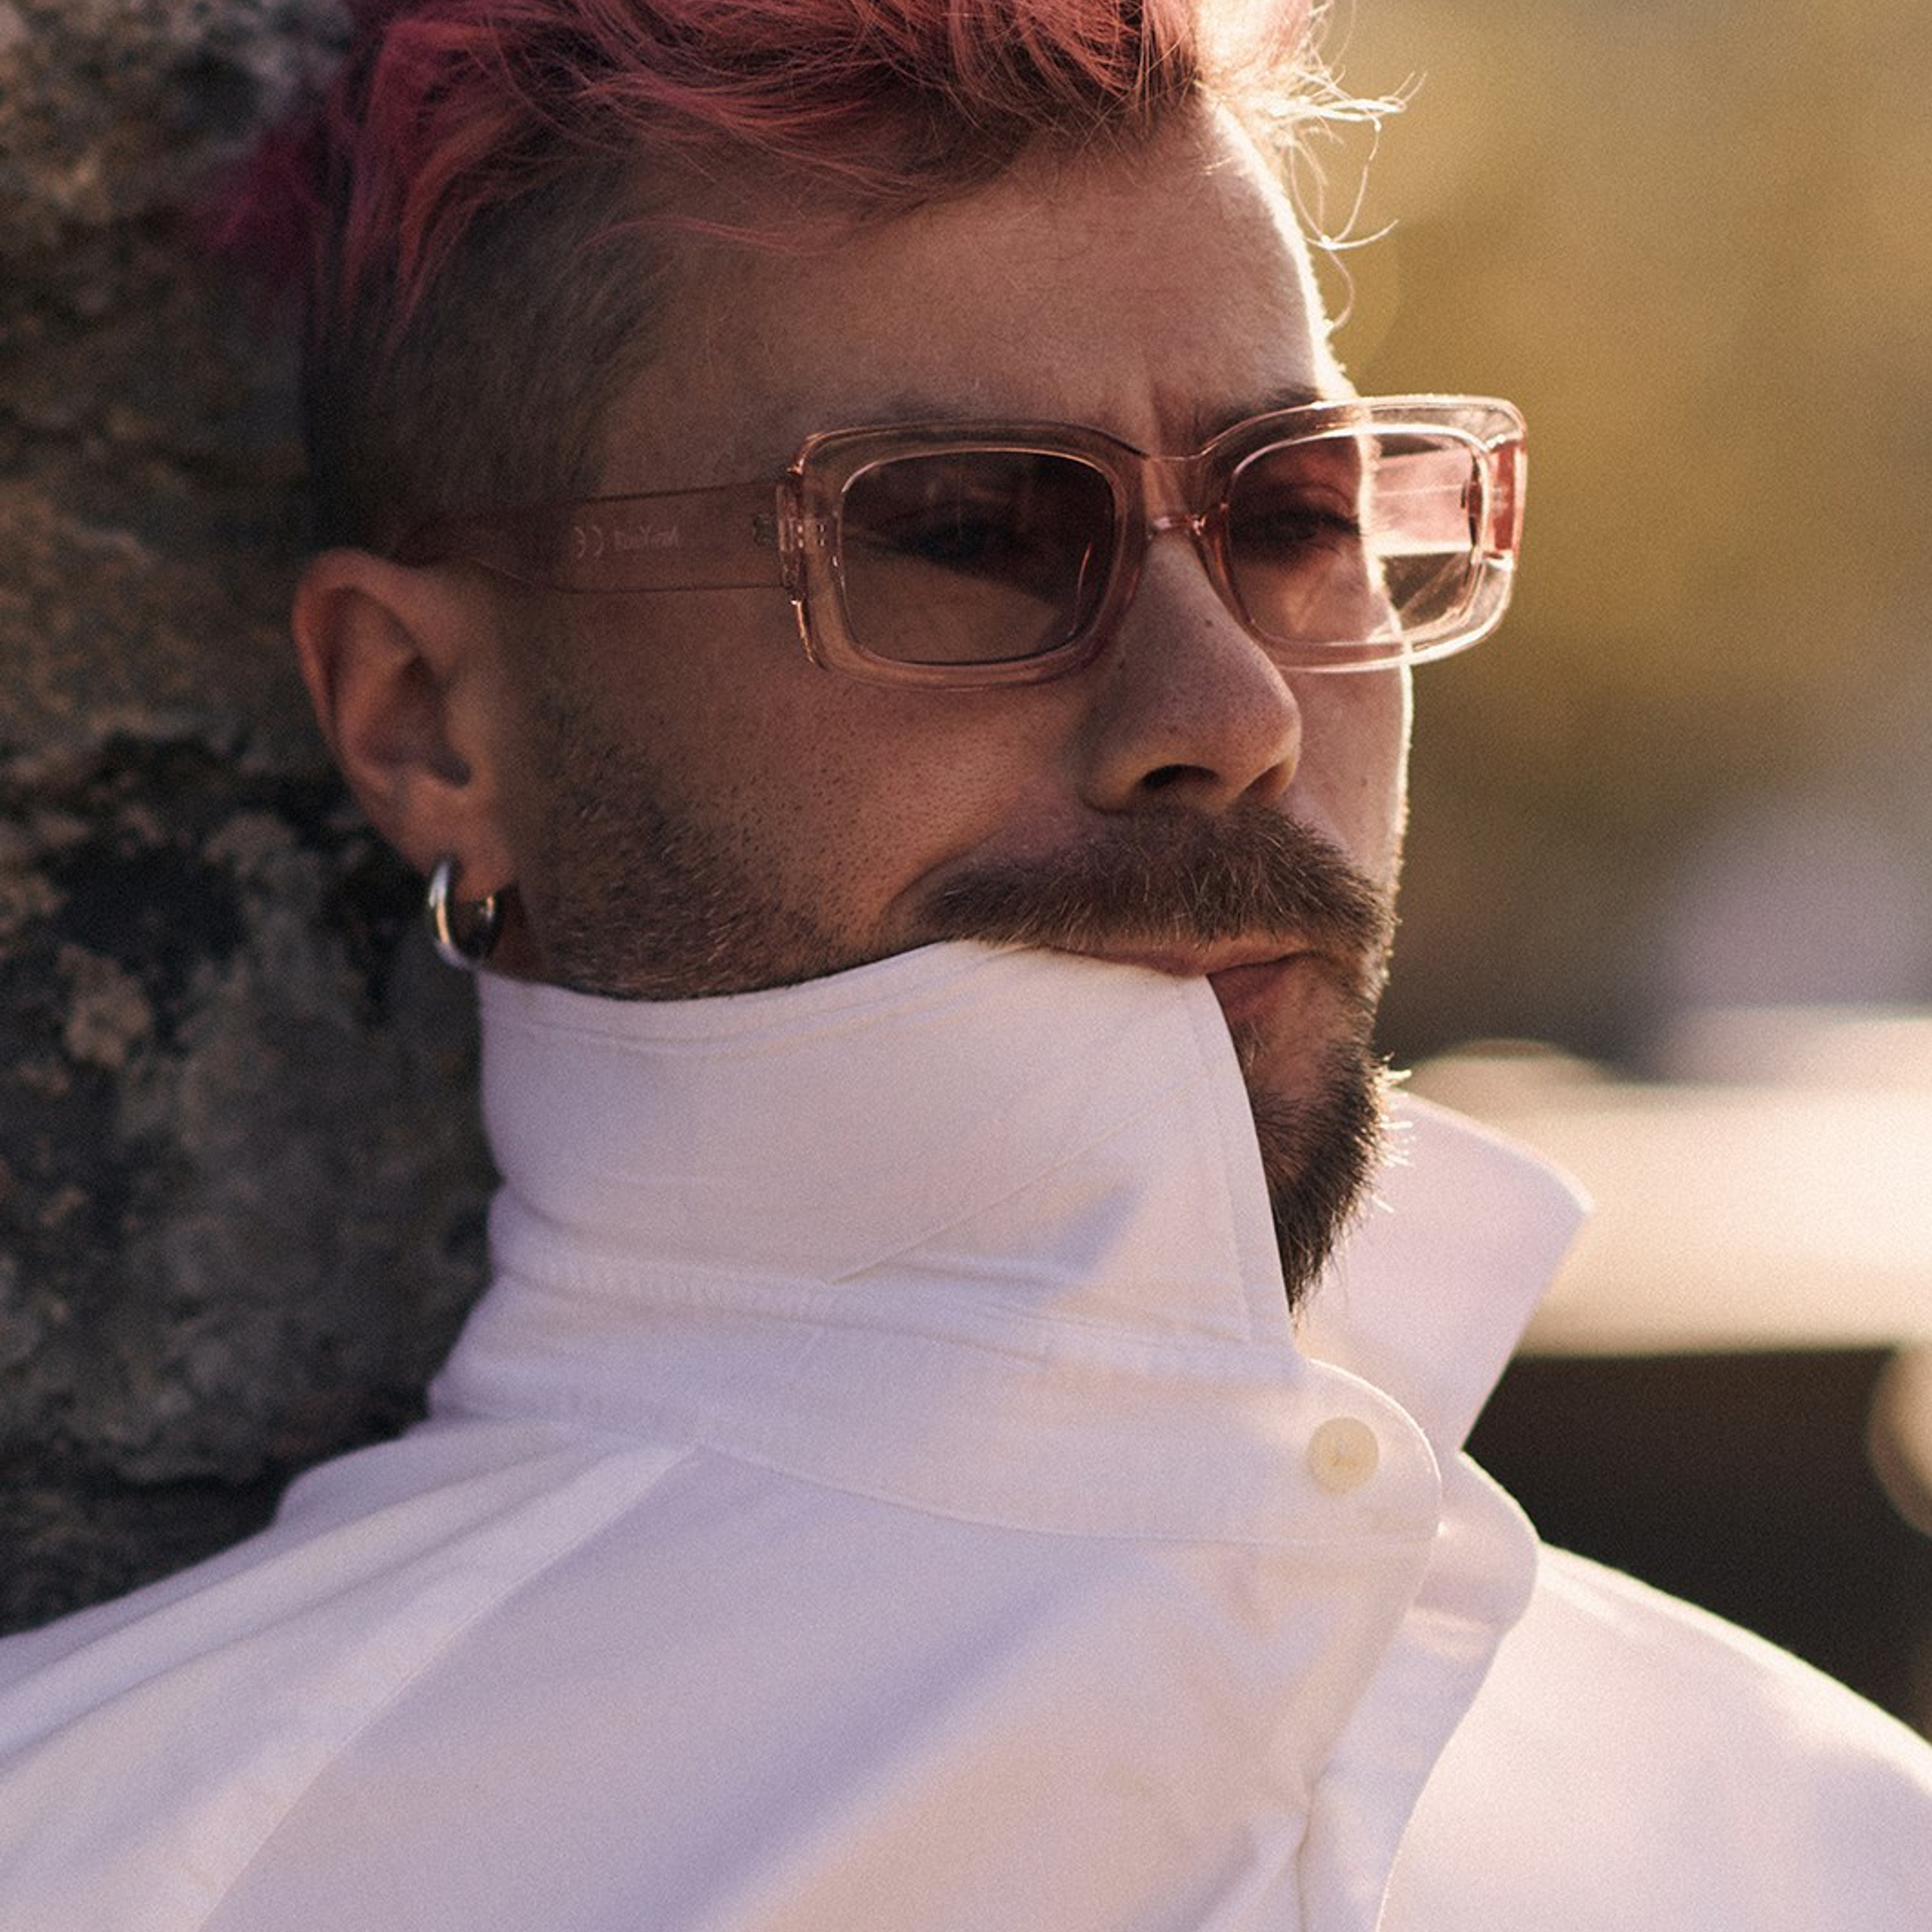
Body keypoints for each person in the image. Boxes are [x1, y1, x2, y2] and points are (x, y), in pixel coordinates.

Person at [2, 0, 1928, 1925]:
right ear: (428, 716)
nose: (1234, 707)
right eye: (962, 529)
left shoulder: (1827, 1838)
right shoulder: (129, 1858)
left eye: (1294, 513)